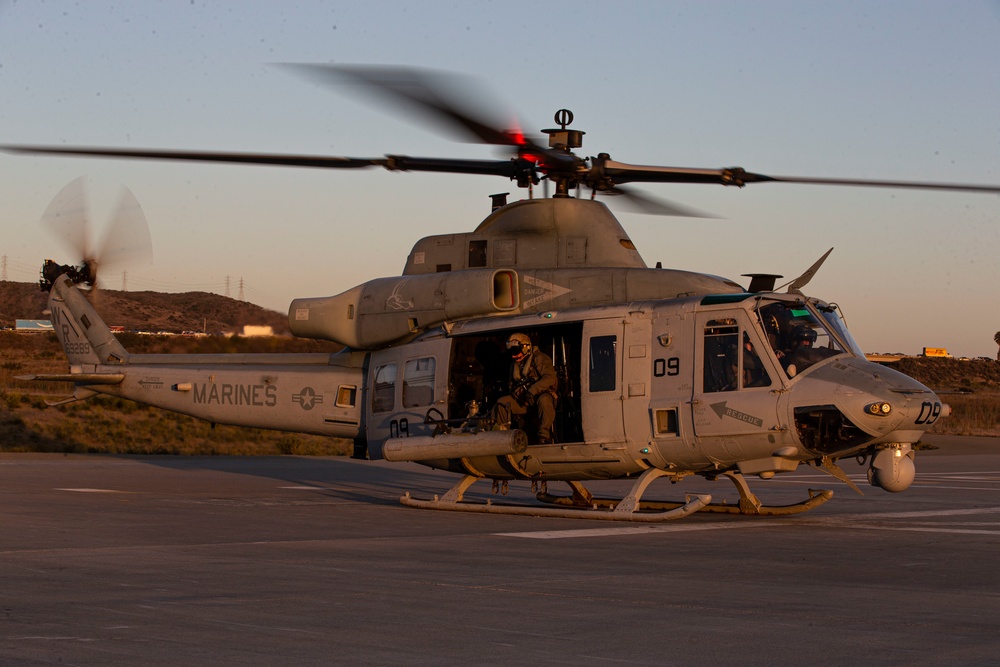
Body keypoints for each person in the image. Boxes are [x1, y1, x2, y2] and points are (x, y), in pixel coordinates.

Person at [492, 333, 558, 444]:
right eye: (512, 352)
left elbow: (550, 378)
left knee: (544, 400)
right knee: (502, 403)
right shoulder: (515, 365)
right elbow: (511, 385)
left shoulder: (540, 358)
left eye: (517, 351)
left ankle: (544, 436)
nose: (514, 356)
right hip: (523, 400)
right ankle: (502, 437)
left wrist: (532, 390)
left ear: (526, 347)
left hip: (540, 396)